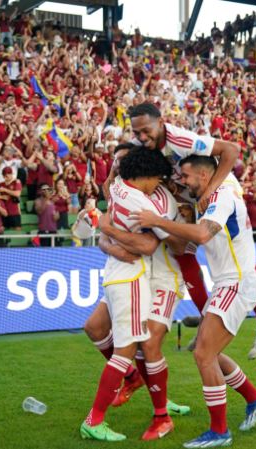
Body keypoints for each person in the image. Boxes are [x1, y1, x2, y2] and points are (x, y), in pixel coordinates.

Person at [132, 155, 256, 448]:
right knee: (210, 351)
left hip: (236, 282)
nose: (182, 182)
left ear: (205, 176)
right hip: (228, 283)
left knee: (203, 354)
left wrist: (157, 221)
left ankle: (220, 431)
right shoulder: (204, 199)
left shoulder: (223, 197)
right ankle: (254, 398)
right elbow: (187, 245)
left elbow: (202, 234)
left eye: (186, 176)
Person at [129, 102, 256, 359]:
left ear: (161, 122)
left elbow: (231, 151)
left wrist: (208, 192)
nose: (142, 138)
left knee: (236, 253)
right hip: (194, 193)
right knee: (182, 251)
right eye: (137, 133)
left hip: (215, 187)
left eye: (146, 131)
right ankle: (207, 316)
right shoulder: (151, 147)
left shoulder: (180, 139)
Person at [79, 147, 175, 442]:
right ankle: (94, 420)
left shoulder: (119, 185)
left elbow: (108, 201)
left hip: (116, 275)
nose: (157, 184)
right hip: (132, 278)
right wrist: (115, 233)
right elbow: (148, 247)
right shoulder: (140, 202)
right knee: (126, 352)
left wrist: (108, 230)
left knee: (118, 342)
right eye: (155, 178)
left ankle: (139, 389)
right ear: (145, 175)